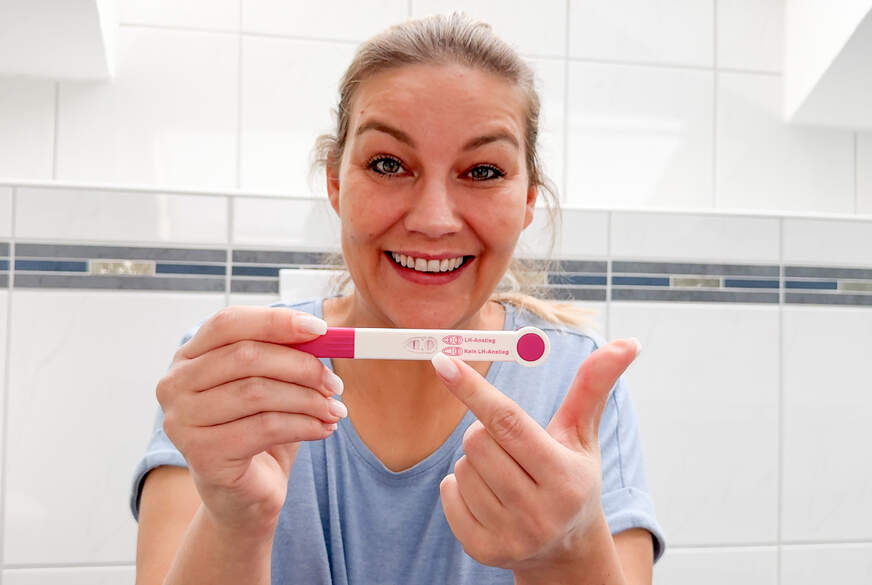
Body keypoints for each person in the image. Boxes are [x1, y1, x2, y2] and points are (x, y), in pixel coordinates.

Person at [131, 12, 665, 585]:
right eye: (388, 164)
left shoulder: (576, 385)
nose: (433, 220)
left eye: (483, 171)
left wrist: (566, 553)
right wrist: (236, 522)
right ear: (336, 182)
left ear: (528, 200)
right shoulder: (234, 374)